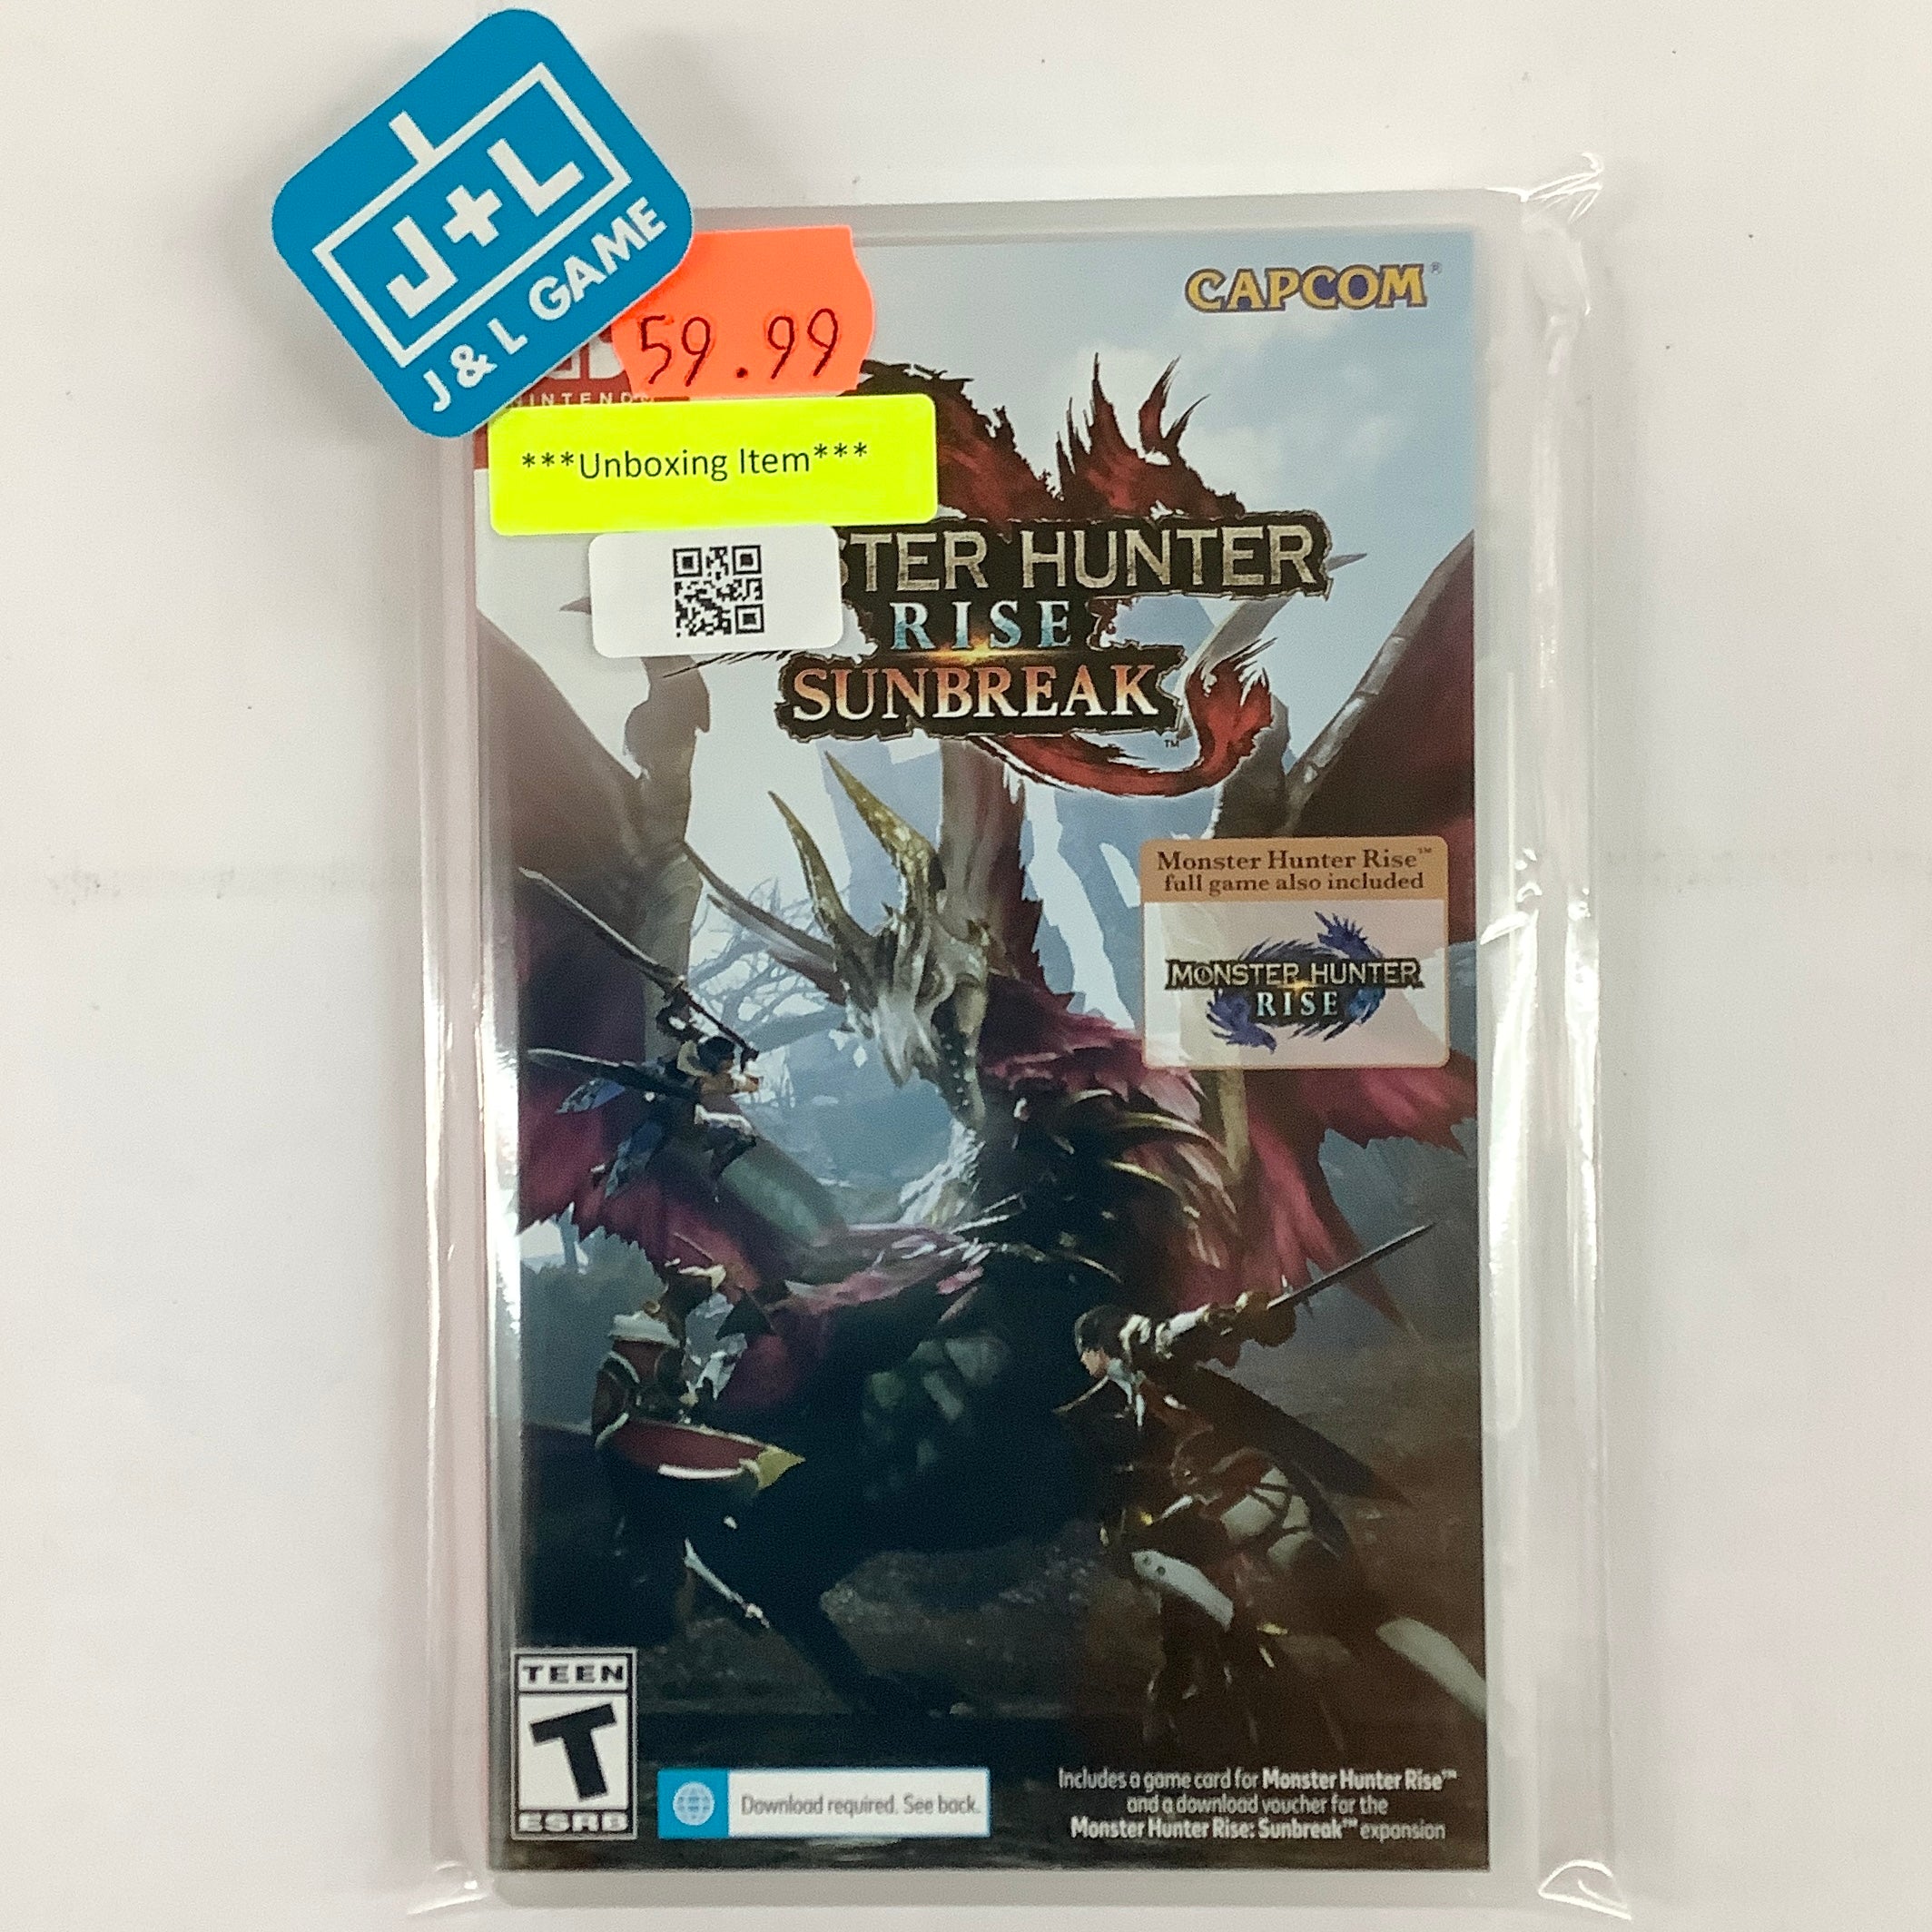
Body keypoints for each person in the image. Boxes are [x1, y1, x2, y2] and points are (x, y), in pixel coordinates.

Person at [1064, 1297, 1487, 1746]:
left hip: (1243, 1493)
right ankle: (1484, 1702)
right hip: (1274, 1497)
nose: (1084, 1364)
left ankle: (1239, 1630)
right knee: (1363, 1618)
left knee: (1136, 1552)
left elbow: (1161, 1335)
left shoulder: (1143, 1354)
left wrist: (1207, 1319)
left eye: (1084, 1354)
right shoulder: (1141, 1387)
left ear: (1096, 1349)